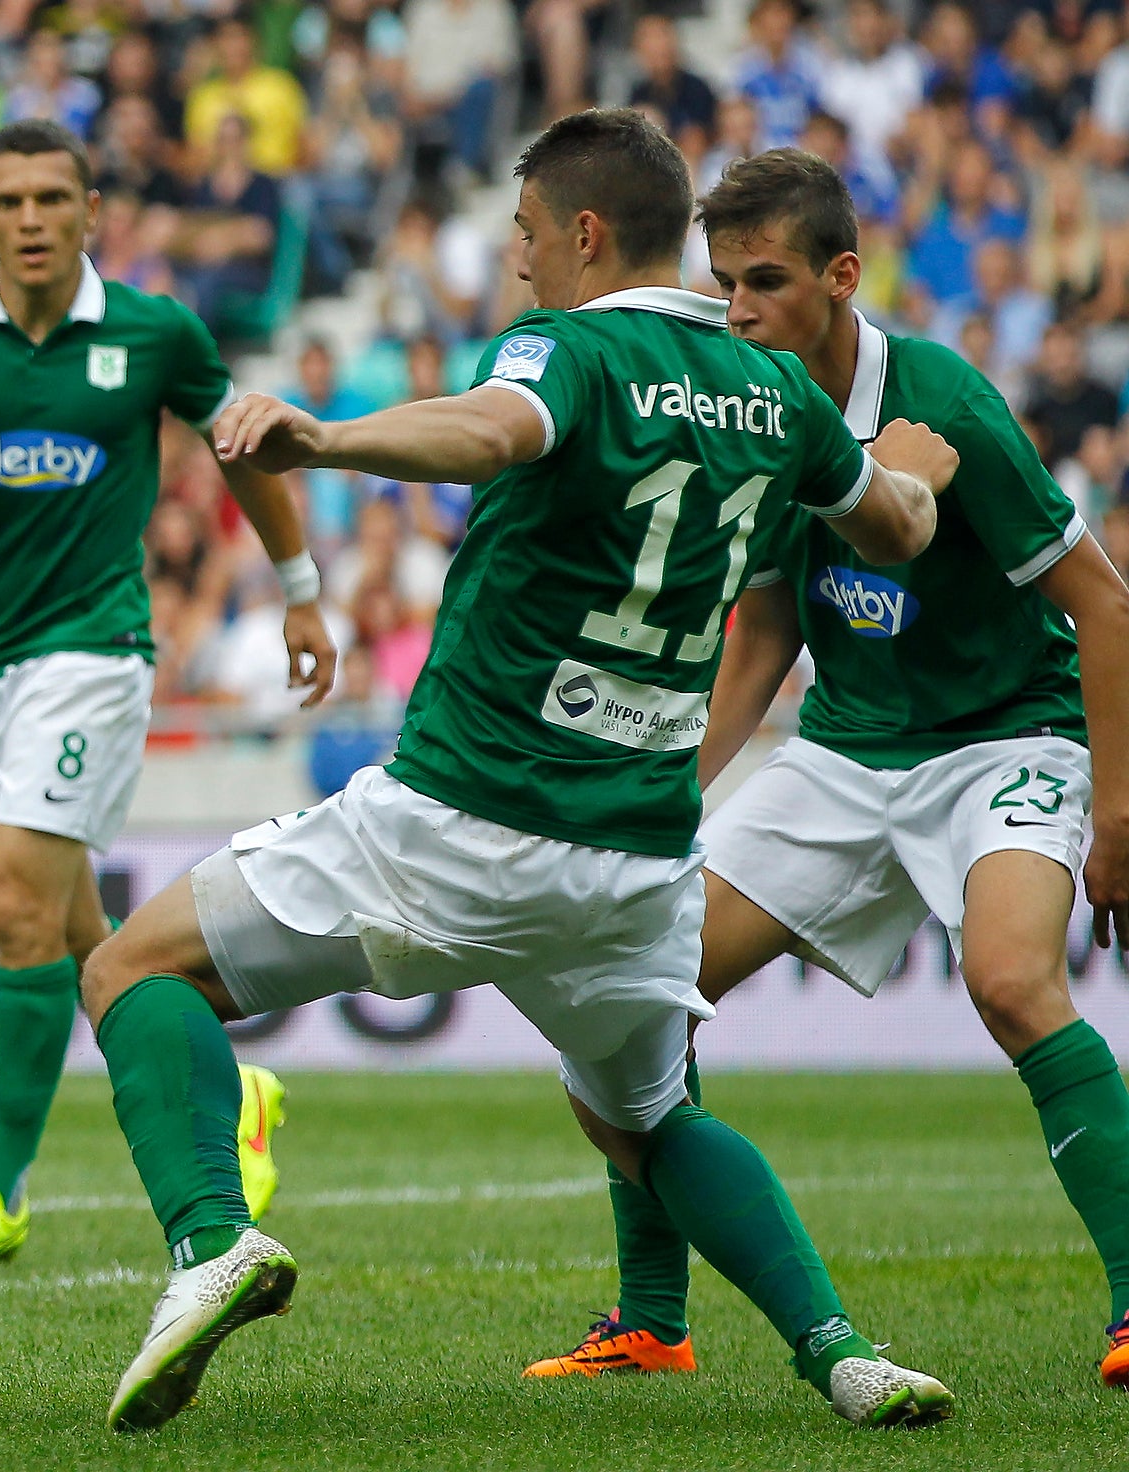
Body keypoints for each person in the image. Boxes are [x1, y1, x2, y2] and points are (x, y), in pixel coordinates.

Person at [75, 108, 960, 1433]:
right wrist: (911, 480)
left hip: (464, 813)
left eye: (529, 234)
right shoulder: (775, 383)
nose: (519, 260)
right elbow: (892, 528)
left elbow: (490, 432)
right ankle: (840, 1353)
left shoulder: (571, 346)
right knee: (648, 1120)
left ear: (586, 232)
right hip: (641, 858)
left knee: (133, 969)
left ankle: (211, 1242)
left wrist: (324, 440)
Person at [526, 148, 1129, 1390]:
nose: (736, 309)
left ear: (841, 278)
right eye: (723, 283)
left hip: (1003, 738)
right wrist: (670, 793)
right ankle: (651, 1319)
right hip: (847, 749)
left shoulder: (945, 404)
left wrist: (1115, 814)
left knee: (1012, 980)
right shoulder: (751, 401)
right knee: (639, 980)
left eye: (763, 283)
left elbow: (1106, 609)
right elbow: (766, 628)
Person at [0, 118, 337, 1270]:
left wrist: (299, 590)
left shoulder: (154, 332)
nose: (31, 220)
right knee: (77, 938)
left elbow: (242, 448)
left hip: (95, 646)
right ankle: (228, 1085)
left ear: (91, 209)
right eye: (7, 202)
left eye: (53, 198)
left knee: (11, 891)